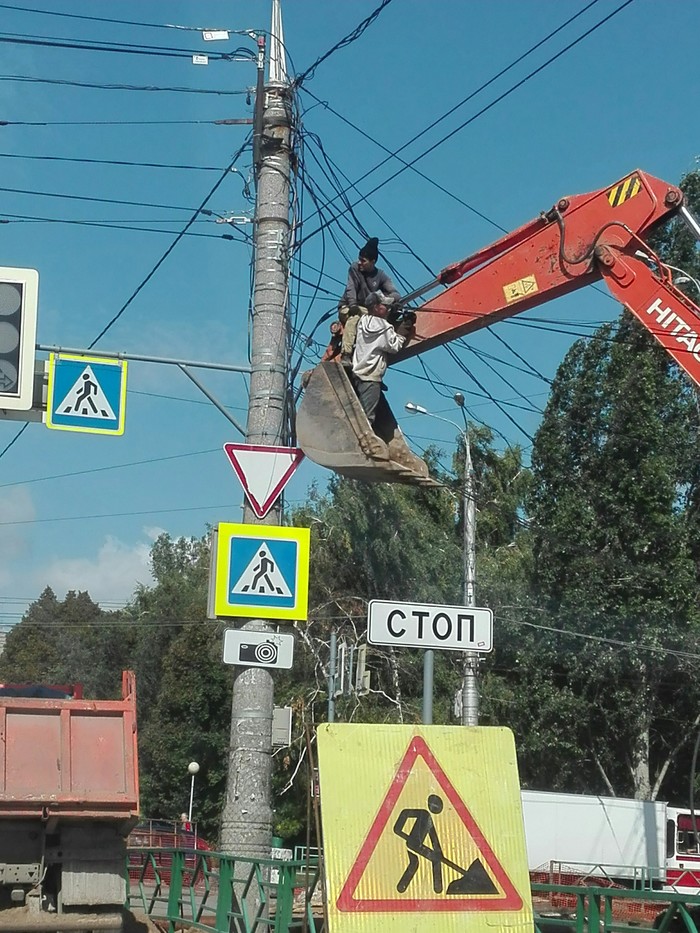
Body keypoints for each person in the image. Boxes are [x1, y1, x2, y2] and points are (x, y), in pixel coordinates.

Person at [351, 290, 413, 428]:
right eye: (385, 305)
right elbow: (394, 346)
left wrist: (390, 316)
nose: (388, 308)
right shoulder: (383, 327)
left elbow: (378, 335)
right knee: (367, 420)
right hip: (371, 378)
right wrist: (405, 326)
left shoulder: (363, 321)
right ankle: (363, 444)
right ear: (376, 307)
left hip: (358, 374)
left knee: (360, 413)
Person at [338, 237, 400, 362]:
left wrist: (385, 299)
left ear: (373, 261)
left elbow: (396, 294)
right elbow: (351, 288)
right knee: (354, 318)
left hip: (366, 312)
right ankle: (346, 354)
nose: (359, 262)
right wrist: (353, 304)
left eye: (363, 260)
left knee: (380, 320)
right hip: (348, 308)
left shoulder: (381, 275)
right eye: (359, 259)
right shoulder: (354, 268)